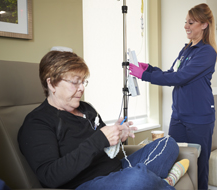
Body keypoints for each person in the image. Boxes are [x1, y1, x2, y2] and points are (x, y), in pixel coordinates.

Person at [18, 50, 181, 190]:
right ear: (51, 84)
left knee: (168, 143)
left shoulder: (86, 109)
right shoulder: (37, 123)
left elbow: (106, 145)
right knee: (137, 177)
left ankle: (152, 183)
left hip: (118, 170)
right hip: (86, 184)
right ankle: (162, 184)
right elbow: (50, 176)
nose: (81, 88)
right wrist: (99, 139)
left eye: (83, 82)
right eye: (75, 82)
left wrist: (118, 134)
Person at [129, 3, 217, 190]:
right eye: (185, 22)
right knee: (172, 159)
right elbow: (172, 72)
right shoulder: (186, 49)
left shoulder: (207, 52)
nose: (186, 26)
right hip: (178, 116)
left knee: (199, 164)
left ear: (204, 24)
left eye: (191, 22)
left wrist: (144, 76)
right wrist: (149, 68)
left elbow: (179, 77)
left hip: (199, 118)